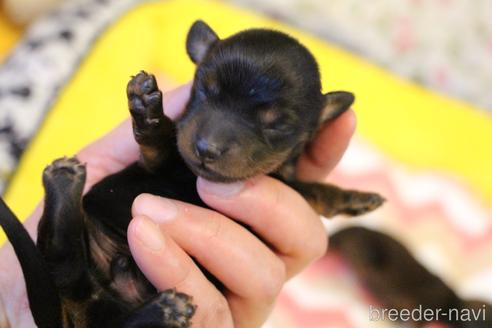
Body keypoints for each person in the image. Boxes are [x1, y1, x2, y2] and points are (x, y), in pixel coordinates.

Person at [0, 82, 356, 328]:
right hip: (104, 255)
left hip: (117, 292)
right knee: (66, 263)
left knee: (68, 270)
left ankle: (64, 204)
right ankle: (64, 206)